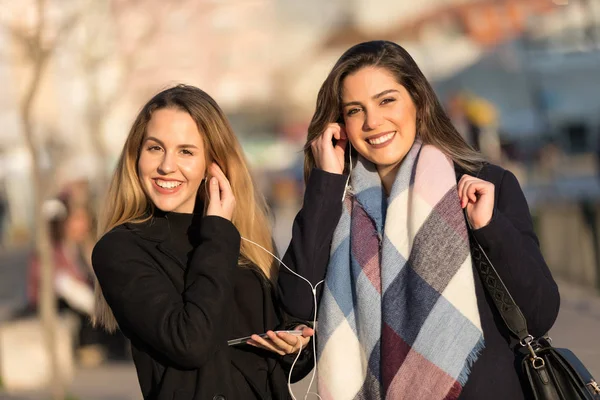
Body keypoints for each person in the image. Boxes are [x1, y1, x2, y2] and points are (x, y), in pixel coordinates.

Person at [279, 41, 560, 400]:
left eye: (386, 100)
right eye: (355, 110)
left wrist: (488, 228)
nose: (373, 121)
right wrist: (326, 184)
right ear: (340, 125)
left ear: (417, 100)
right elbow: (298, 302)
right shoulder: (334, 203)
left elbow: (539, 314)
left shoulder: (482, 185)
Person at [91, 84, 314, 400]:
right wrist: (217, 232)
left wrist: (297, 346)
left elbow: (289, 363)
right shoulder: (120, 249)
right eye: (155, 148)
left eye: (186, 151)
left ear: (215, 163)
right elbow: (190, 343)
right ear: (136, 156)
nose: (167, 165)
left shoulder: (247, 238)